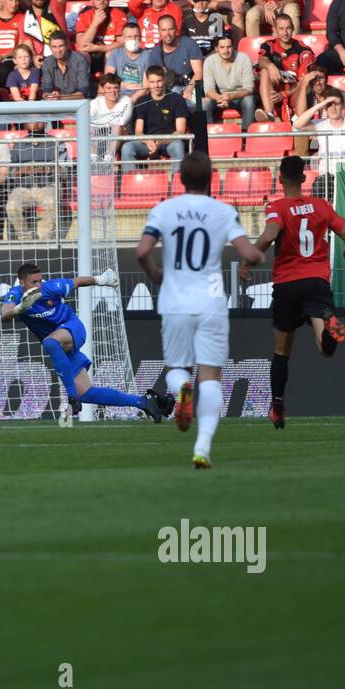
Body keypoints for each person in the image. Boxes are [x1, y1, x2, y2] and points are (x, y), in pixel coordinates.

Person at [134, 151, 265, 468]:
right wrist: (255, 258)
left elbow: (141, 251)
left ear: (180, 177)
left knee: (178, 369)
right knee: (211, 378)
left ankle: (182, 390)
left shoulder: (165, 209)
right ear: (211, 178)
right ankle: (202, 449)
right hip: (211, 303)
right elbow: (249, 251)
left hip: (175, 302)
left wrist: (154, 275)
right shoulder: (222, 211)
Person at [243, 155, 345, 429]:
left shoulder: (277, 207)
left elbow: (270, 235)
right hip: (317, 281)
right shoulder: (322, 206)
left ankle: (278, 406)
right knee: (325, 350)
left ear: (280, 178)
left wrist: (248, 260)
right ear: (304, 179)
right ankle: (328, 328)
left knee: (282, 352)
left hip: (287, 283)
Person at [0, 263, 169, 422]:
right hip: (61, 346)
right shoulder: (15, 294)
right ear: (22, 282)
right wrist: (21, 308)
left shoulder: (51, 288)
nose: (39, 285)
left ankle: (71, 397)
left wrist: (102, 279)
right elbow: (5, 314)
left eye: (40, 281)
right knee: (86, 393)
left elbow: (78, 281)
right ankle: (145, 402)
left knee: (50, 343)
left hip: (73, 328)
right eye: (33, 282)